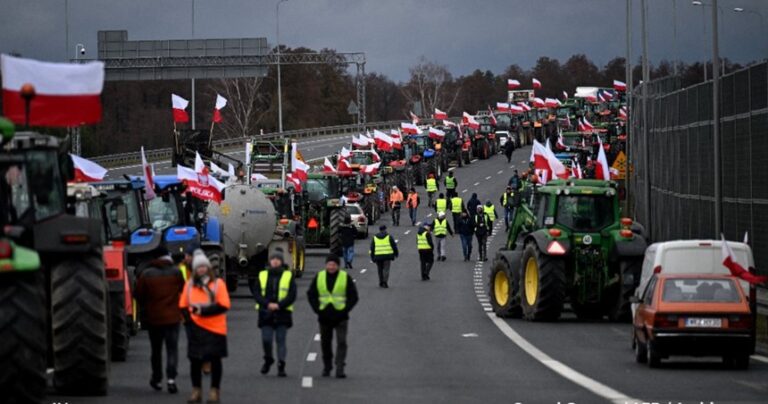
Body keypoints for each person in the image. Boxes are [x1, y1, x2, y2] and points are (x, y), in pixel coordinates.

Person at [179, 250, 231, 404]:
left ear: (208, 268)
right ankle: (196, 391)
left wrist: (203, 311)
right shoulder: (189, 286)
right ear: (194, 270)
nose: (201, 269)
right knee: (195, 361)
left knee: (215, 361)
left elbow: (224, 305)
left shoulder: (218, 285)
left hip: (215, 329)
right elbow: (183, 305)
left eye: (203, 266)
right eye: (198, 267)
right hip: (196, 328)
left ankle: (214, 391)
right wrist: (189, 321)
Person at [135, 247, 185, 394]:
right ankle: (171, 379)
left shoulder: (146, 274)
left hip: (154, 318)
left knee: (156, 350)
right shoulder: (176, 272)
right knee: (172, 349)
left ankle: (156, 378)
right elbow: (182, 289)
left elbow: (139, 295)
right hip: (173, 317)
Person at [307, 255, 359, 378]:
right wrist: (317, 309)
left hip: (341, 317)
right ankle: (327, 366)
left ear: (338, 266)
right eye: (329, 264)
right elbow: (311, 294)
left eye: (334, 264)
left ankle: (340, 366)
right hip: (324, 316)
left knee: (341, 342)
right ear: (326, 265)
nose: (331, 267)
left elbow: (354, 297)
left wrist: (345, 309)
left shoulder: (345, 277)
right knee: (325, 343)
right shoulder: (319, 277)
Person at [253, 253, 297, 378]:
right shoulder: (262, 275)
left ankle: (281, 365)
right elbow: (256, 293)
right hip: (265, 313)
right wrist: (267, 304)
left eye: (278, 259)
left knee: (280, 339)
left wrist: (279, 305)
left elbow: (292, 294)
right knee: (266, 339)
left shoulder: (288, 275)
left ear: (281, 262)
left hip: (282, 313)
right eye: (273, 259)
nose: (275, 261)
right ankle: (268, 359)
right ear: (270, 262)